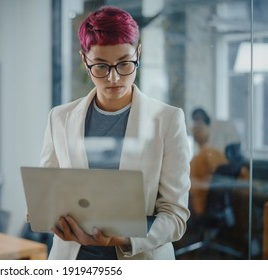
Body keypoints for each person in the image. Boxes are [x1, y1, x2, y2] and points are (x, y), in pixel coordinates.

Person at [39, 6, 191, 260]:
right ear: (84, 60)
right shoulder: (60, 118)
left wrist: (122, 237)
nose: (113, 78)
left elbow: (175, 217)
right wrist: (48, 216)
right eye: (101, 66)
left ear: (138, 53)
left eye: (124, 64)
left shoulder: (168, 120)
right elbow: (47, 194)